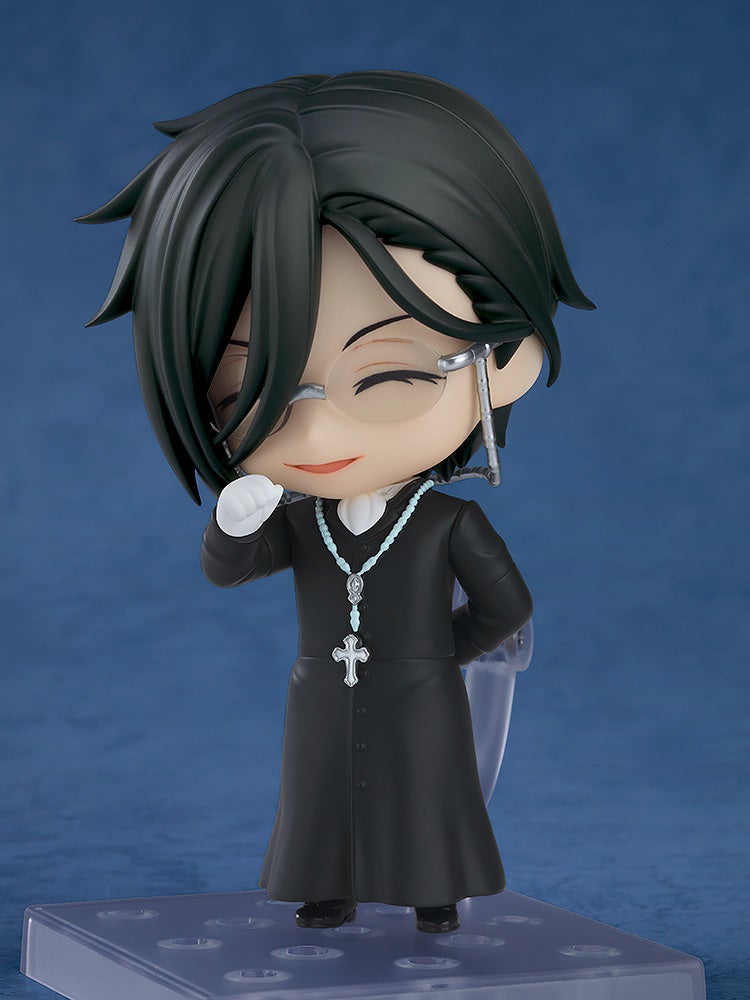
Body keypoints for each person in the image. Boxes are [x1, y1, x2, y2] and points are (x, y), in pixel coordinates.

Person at [80, 71, 593, 933]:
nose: (316, 434)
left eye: (387, 377)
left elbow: (508, 606)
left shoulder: (448, 522)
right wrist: (230, 524)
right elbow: (232, 570)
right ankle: (329, 887)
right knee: (321, 791)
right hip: (321, 688)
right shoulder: (303, 519)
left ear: (504, 361)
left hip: (418, 689)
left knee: (424, 791)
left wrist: (439, 657)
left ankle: (434, 894)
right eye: (250, 393)